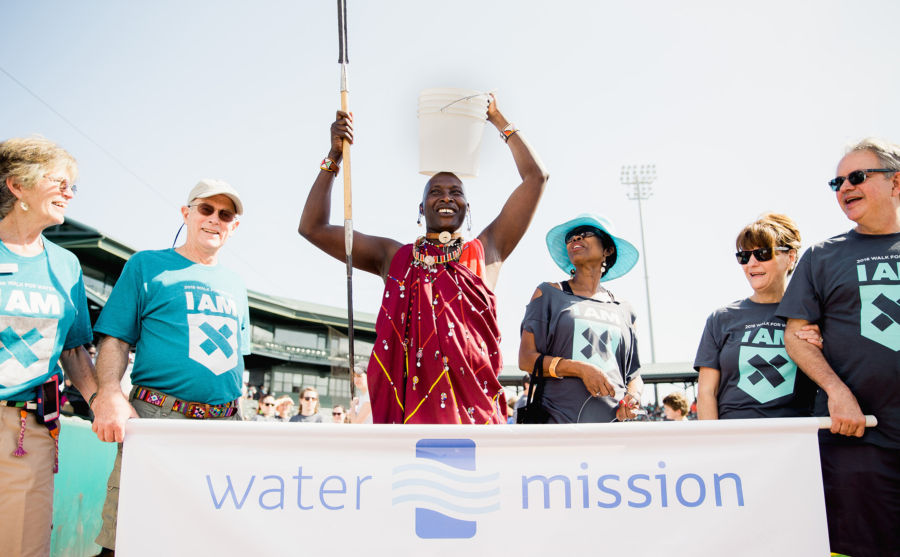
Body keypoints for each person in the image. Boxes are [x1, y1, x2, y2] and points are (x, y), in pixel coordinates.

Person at [299, 94, 548, 424]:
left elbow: (536, 178)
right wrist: (334, 157)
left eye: (456, 192)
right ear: (421, 208)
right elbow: (312, 228)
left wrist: (499, 120)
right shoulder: (393, 257)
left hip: (476, 423)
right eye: (435, 191)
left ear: (467, 207)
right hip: (408, 425)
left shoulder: (486, 250)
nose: (446, 196)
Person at [90, 179, 250, 555]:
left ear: (234, 226)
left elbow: (236, 361)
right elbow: (114, 337)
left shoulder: (236, 284)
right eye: (206, 209)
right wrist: (110, 391)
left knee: (206, 538)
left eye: (225, 214)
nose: (215, 220)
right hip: (158, 416)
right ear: (187, 213)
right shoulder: (147, 264)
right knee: (128, 536)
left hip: (223, 424)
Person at [778, 138, 900, 557]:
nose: (845, 187)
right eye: (837, 182)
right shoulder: (822, 256)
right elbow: (796, 335)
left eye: (857, 177)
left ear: (896, 182)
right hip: (859, 438)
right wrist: (837, 391)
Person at [0, 137, 97, 556]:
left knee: (23, 547)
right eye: (60, 183)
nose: (69, 194)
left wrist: (102, 399)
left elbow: (74, 350)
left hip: (28, 431)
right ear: (17, 186)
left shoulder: (65, 264)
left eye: (73, 186)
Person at [519, 214, 643, 423]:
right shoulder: (548, 293)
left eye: (586, 234)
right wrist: (580, 369)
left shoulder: (624, 309)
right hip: (558, 426)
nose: (575, 239)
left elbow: (634, 375)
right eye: (570, 237)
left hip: (613, 431)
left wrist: (633, 397)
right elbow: (526, 359)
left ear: (608, 250)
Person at [694, 214, 818, 420]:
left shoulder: (812, 315)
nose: (751, 263)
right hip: (736, 438)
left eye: (762, 254)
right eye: (744, 256)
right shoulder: (721, 319)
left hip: (795, 437)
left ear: (791, 257)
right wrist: (713, 444)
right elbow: (707, 393)